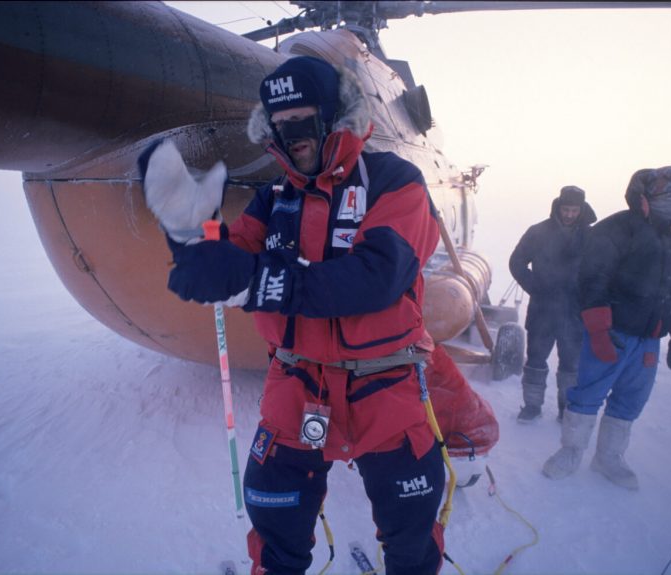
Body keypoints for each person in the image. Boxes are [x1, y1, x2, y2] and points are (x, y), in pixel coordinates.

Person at [143, 56, 447, 574]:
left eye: (302, 119)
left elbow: (378, 277)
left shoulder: (395, 182)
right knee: (274, 521)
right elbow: (232, 257)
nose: (292, 134)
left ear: (335, 116)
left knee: (411, 531)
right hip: (297, 384)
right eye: (280, 125)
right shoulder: (273, 201)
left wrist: (261, 281)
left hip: (386, 386)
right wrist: (194, 235)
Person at [543, 166, 671, 490]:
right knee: (588, 393)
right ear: (654, 197)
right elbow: (592, 279)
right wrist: (599, 329)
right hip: (612, 333)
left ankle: (609, 457)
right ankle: (571, 451)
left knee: (632, 399)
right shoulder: (618, 228)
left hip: (649, 339)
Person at [509, 186, 596, 423]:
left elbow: (601, 272)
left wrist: (589, 297)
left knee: (571, 365)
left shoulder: (592, 237)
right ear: (558, 206)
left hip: (575, 313)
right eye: (565, 209)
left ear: (582, 209)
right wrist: (535, 287)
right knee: (536, 360)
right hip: (542, 310)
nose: (569, 214)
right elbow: (516, 262)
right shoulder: (538, 232)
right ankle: (532, 407)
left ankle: (566, 410)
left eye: (574, 210)